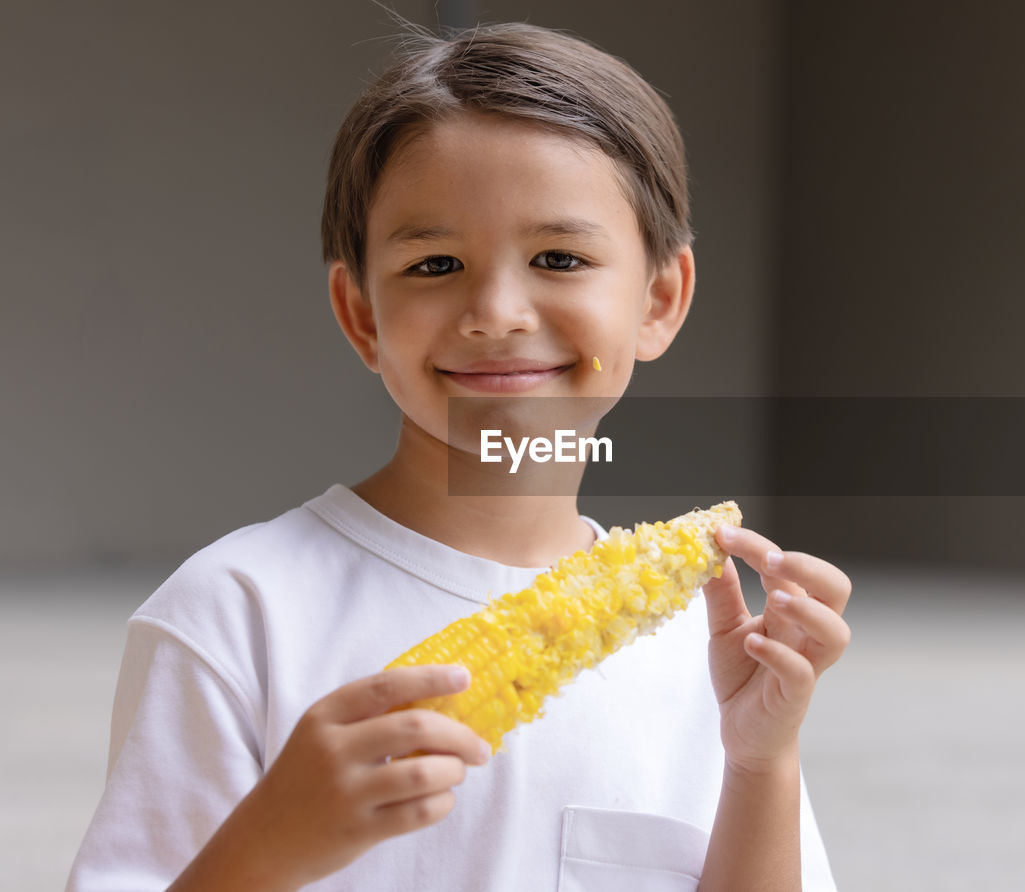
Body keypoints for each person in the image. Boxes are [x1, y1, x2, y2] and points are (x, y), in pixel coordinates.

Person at [67, 18, 851, 892]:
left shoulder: (700, 652)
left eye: (559, 257)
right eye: (436, 264)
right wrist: (273, 844)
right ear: (362, 314)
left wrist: (759, 765)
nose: (497, 312)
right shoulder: (235, 617)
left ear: (660, 299)